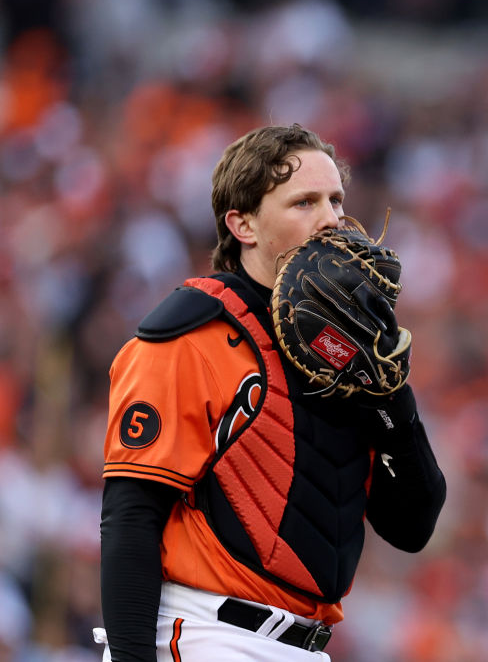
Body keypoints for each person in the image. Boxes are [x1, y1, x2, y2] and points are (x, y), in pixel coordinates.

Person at [97, 123, 446, 661]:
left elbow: (412, 526)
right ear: (243, 224)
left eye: (336, 200)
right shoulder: (190, 339)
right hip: (204, 632)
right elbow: (131, 517)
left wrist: (393, 400)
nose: (330, 218)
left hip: (303, 646)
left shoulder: (341, 347)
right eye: (303, 202)